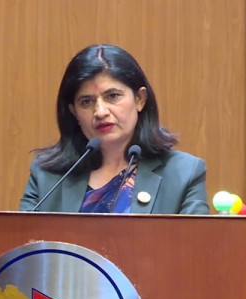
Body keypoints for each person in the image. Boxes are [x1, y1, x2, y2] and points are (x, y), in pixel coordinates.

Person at [19, 44, 210, 214]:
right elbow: (24, 239)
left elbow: (193, 243)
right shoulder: (47, 176)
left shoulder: (184, 173)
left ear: (140, 99)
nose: (100, 112)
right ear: (74, 112)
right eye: (86, 102)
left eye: (112, 96)